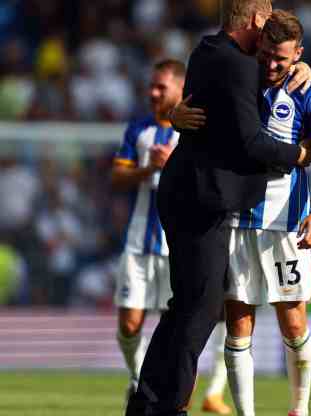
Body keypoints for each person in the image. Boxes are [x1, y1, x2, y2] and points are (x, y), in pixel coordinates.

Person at [125, 1, 311, 415]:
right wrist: (299, 155)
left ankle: (149, 402)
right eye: (267, 21)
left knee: (191, 307)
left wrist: (303, 67)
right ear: (255, 20)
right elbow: (251, 144)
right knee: (198, 311)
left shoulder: (207, 49)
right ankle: (164, 405)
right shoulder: (238, 65)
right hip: (201, 198)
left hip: (190, 193)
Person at [180, 11, 311, 416]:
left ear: (298, 55)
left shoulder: (309, 93)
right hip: (237, 220)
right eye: (266, 54)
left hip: (287, 226)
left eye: (282, 59)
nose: (271, 65)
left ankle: (299, 410)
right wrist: (172, 116)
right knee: (238, 326)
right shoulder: (241, 80)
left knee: (294, 322)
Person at [111, 59, 232, 415]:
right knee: (130, 323)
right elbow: (117, 179)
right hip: (139, 242)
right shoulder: (138, 130)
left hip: (179, 246)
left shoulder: (195, 130)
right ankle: (139, 381)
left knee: (185, 327)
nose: (153, 93)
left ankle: (195, 395)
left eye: (161, 87)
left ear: (180, 89)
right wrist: (150, 168)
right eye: (151, 86)